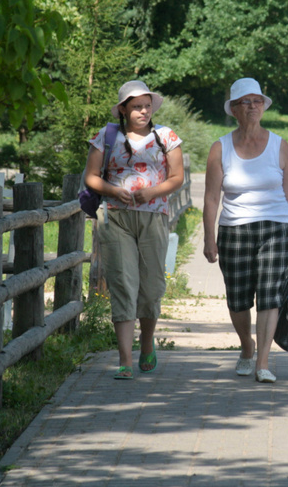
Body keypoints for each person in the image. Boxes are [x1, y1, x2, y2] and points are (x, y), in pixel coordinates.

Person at [203, 78, 288, 384]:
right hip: (234, 228)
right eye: (245, 102)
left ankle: (263, 361)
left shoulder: (280, 145)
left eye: (257, 101)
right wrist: (209, 237)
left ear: (264, 106)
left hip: (276, 226)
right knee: (237, 299)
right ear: (234, 109)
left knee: (270, 294)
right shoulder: (220, 148)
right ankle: (247, 346)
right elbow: (211, 197)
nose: (252, 107)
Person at [84, 80, 184, 380]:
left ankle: (147, 341)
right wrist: (114, 191)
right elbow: (91, 177)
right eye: (136, 106)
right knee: (122, 283)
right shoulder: (106, 136)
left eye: (146, 106)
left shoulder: (166, 136)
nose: (143, 111)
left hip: (154, 218)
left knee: (152, 285)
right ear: (123, 110)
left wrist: (153, 192)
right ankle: (125, 360)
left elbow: (176, 177)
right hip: (115, 218)